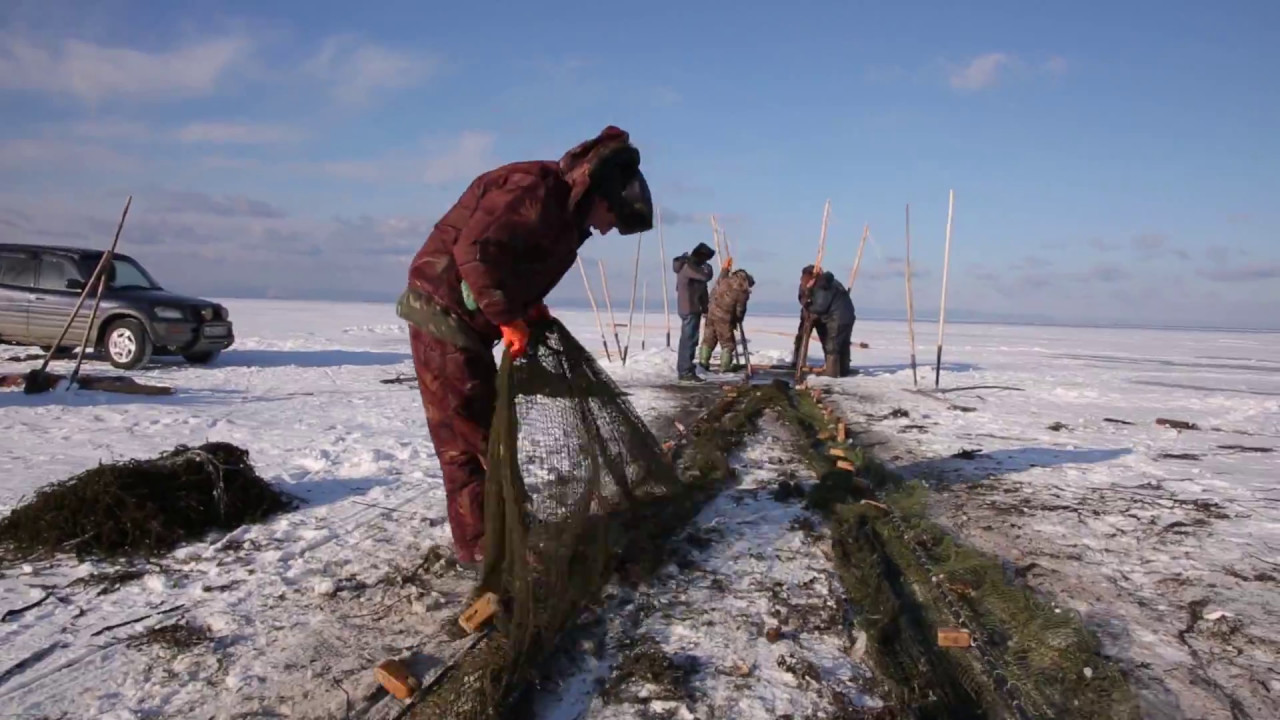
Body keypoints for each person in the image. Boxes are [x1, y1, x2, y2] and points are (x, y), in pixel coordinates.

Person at [396, 126, 652, 568]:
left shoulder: (566, 217)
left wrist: (527, 310)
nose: (608, 231)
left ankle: (484, 542)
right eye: (613, 220)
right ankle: (496, 544)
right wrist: (506, 318)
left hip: (464, 323)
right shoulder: (535, 189)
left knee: (467, 437)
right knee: (478, 437)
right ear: (602, 195)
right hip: (444, 313)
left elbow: (515, 263)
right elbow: (475, 252)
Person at [793, 265, 856, 377]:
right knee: (840, 344)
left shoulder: (823, 285)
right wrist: (806, 297)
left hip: (837, 318)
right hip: (844, 317)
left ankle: (832, 373)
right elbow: (802, 297)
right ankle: (842, 369)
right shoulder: (813, 284)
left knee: (833, 345)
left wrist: (808, 306)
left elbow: (820, 307)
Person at [672, 242, 715, 382]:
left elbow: (702, 289)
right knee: (688, 340)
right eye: (706, 260)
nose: (706, 263)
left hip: (693, 307)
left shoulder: (694, 267)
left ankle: (687, 370)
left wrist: (705, 307)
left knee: (691, 339)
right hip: (689, 308)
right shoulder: (688, 266)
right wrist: (708, 268)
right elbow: (705, 277)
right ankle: (685, 372)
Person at [699, 268, 754, 373]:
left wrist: (724, 269)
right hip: (725, 318)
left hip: (711, 313)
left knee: (709, 339)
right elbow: (740, 309)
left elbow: (716, 286)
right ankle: (725, 366)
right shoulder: (742, 291)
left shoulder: (725, 281)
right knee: (728, 343)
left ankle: (703, 362)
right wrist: (738, 319)